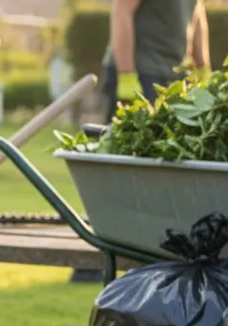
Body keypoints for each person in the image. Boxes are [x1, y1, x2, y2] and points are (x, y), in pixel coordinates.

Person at [71, 0, 209, 283]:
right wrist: (126, 76)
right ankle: (92, 259)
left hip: (174, 76)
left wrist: (203, 70)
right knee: (120, 166)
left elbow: (196, 14)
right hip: (141, 71)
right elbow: (121, 9)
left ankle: (151, 253)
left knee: (167, 168)